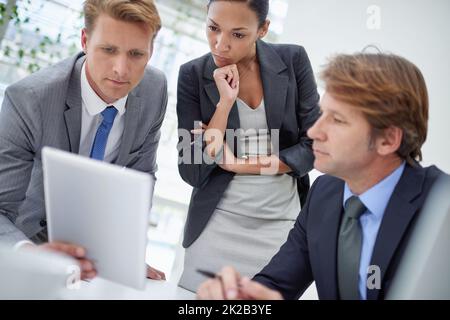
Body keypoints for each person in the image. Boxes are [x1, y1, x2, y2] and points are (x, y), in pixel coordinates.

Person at [196, 52, 448, 300]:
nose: (315, 131)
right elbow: (276, 285)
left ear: (388, 139)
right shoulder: (325, 193)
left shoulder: (441, 205)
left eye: (337, 120)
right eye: (321, 114)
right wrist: (238, 298)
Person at [0, 0, 167, 281]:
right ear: (85, 40)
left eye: (136, 54)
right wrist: (30, 254)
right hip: (23, 245)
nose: (121, 70)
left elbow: (141, 176)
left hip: (95, 256)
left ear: (151, 50)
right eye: (108, 50)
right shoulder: (29, 100)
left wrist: (125, 254)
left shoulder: (154, 90)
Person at [176, 0, 320, 292]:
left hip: (279, 229)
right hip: (216, 226)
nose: (221, 44)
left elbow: (312, 147)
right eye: (213, 28)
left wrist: (238, 164)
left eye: (238, 34)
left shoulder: (293, 61)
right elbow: (192, 169)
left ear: (263, 29)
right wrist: (224, 104)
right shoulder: (192, 75)